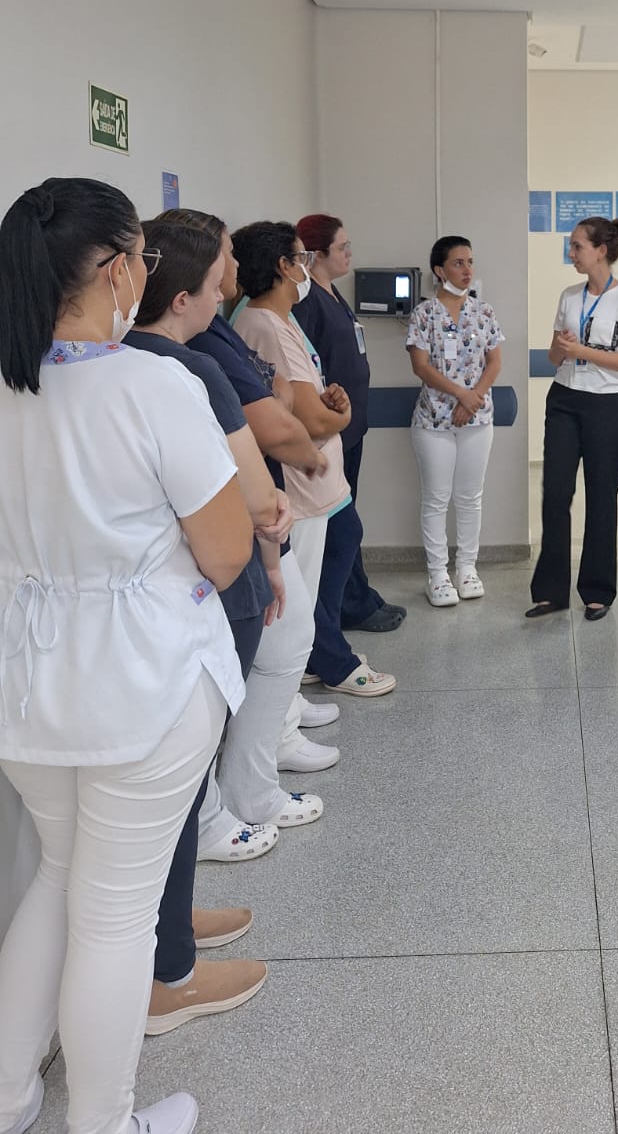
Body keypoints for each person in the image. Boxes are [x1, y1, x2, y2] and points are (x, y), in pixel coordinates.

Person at [0, 177, 252, 1134]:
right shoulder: (154, 385)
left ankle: (12, 1097)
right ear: (112, 271)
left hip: (28, 683)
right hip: (140, 684)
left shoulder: (9, 383)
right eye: (142, 256)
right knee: (114, 919)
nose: (151, 272)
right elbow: (226, 549)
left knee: (57, 882)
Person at [128, 219, 289, 1033]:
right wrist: (272, 552)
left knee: (174, 785)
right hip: (210, 595)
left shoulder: (120, 363)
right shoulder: (192, 371)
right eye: (223, 264)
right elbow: (257, 501)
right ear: (187, 292)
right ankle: (170, 968)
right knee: (185, 778)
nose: (235, 275)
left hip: (139, 612)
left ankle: (171, 921)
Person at [175, 209, 342, 854]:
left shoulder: (207, 339)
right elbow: (269, 431)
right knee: (268, 646)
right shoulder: (201, 353)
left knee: (273, 646)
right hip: (238, 535)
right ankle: (240, 795)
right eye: (226, 254)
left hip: (252, 523)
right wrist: (271, 522)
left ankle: (243, 788)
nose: (235, 267)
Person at [232, 221, 396, 699]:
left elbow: (308, 395)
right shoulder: (261, 323)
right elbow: (306, 417)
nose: (307, 267)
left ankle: (314, 657)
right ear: (285, 266)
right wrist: (338, 417)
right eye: (302, 258)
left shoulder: (285, 319)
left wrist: (331, 402)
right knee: (299, 593)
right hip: (299, 482)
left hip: (321, 476)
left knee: (340, 547)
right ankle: (328, 659)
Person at [528, 217, 618, 620]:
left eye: (577, 246)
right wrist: (563, 350)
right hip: (564, 400)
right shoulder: (569, 295)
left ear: (601, 250)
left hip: (607, 405)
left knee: (601, 497)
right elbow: (552, 356)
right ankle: (550, 592)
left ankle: (597, 591)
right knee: (555, 494)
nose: (571, 253)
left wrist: (585, 353)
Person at [295, 213, 404, 632]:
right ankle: (349, 606)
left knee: (347, 519)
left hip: (348, 429)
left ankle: (360, 596)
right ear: (317, 254)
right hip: (328, 431)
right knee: (340, 526)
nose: (350, 254)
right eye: (343, 247)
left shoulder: (332, 293)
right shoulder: (307, 302)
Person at [406, 236, 505, 606]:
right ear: (439, 269)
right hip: (433, 422)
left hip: (478, 419)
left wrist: (473, 396)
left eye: (470, 263)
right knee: (436, 499)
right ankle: (437, 575)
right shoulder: (424, 314)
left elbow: (494, 362)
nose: (467, 270)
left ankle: (467, 568)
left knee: (469, 498)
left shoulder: (484, 312)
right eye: (458, 263)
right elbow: (420, 366)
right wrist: (460, 395)